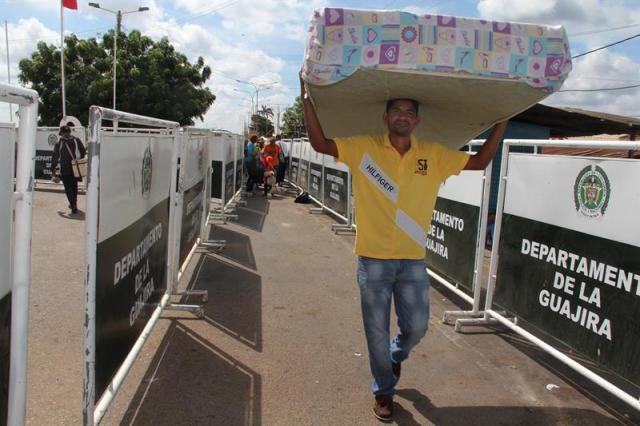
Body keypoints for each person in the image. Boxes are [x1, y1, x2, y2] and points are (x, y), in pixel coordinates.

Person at [300, 76, 507, 421]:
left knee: (417, 328)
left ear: (417, 120)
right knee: (376, 330)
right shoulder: (363, 149)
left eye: (409, 111)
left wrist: (502, 121)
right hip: (373, 259)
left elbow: (480, 162)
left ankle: (395, 356)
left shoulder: (434, 155)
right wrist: (306, 98)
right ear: (385, 117)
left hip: (412, 261)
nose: (402, 115)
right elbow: (320, 143)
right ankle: (383, 390)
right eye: (396, 110)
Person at [51, 125, 86, 214]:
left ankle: (73, 205)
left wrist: (53, 170)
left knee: (68, 187)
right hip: (75, 167)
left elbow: (55, 156)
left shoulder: (59, 142)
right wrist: (77, 160)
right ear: (70, 132)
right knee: (74, 186)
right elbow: (83, 152)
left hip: (65, 168)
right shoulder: (76, 140)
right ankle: (74, 203)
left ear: (62, 133)